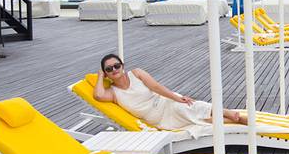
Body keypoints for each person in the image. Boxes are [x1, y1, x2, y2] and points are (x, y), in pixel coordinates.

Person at [94, 54, 247, 131]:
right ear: (106, 73)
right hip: (160, 119)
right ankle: (235, 120)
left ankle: (229, 114)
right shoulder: (113, 93)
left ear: (122, 66)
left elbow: (157, 87)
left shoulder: (136, 73)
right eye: (109, 69)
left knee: (189, 106)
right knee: (193, 119)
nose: (114, 70)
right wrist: (100, 76)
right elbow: (98, 95)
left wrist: (176, 98)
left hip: (166, 102)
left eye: (117, 66)